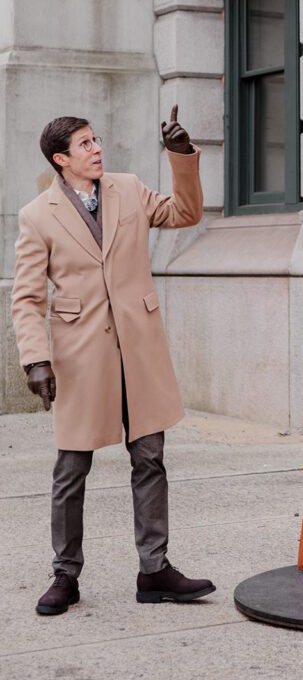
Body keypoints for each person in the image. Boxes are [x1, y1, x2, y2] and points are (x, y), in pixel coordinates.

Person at [11, 107, 216, 615]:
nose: (97, 148)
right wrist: (36, 359)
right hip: (81, 357)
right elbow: (27, 298)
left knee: (150, 457)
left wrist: (182, 155)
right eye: (84, 144)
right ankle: (65, 574)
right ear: (61, 159)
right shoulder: (37, 215)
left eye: (96, 139)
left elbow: (186, 214)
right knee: (72, 467)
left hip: (140, 349)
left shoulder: (129, 188)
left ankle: (155, 570)